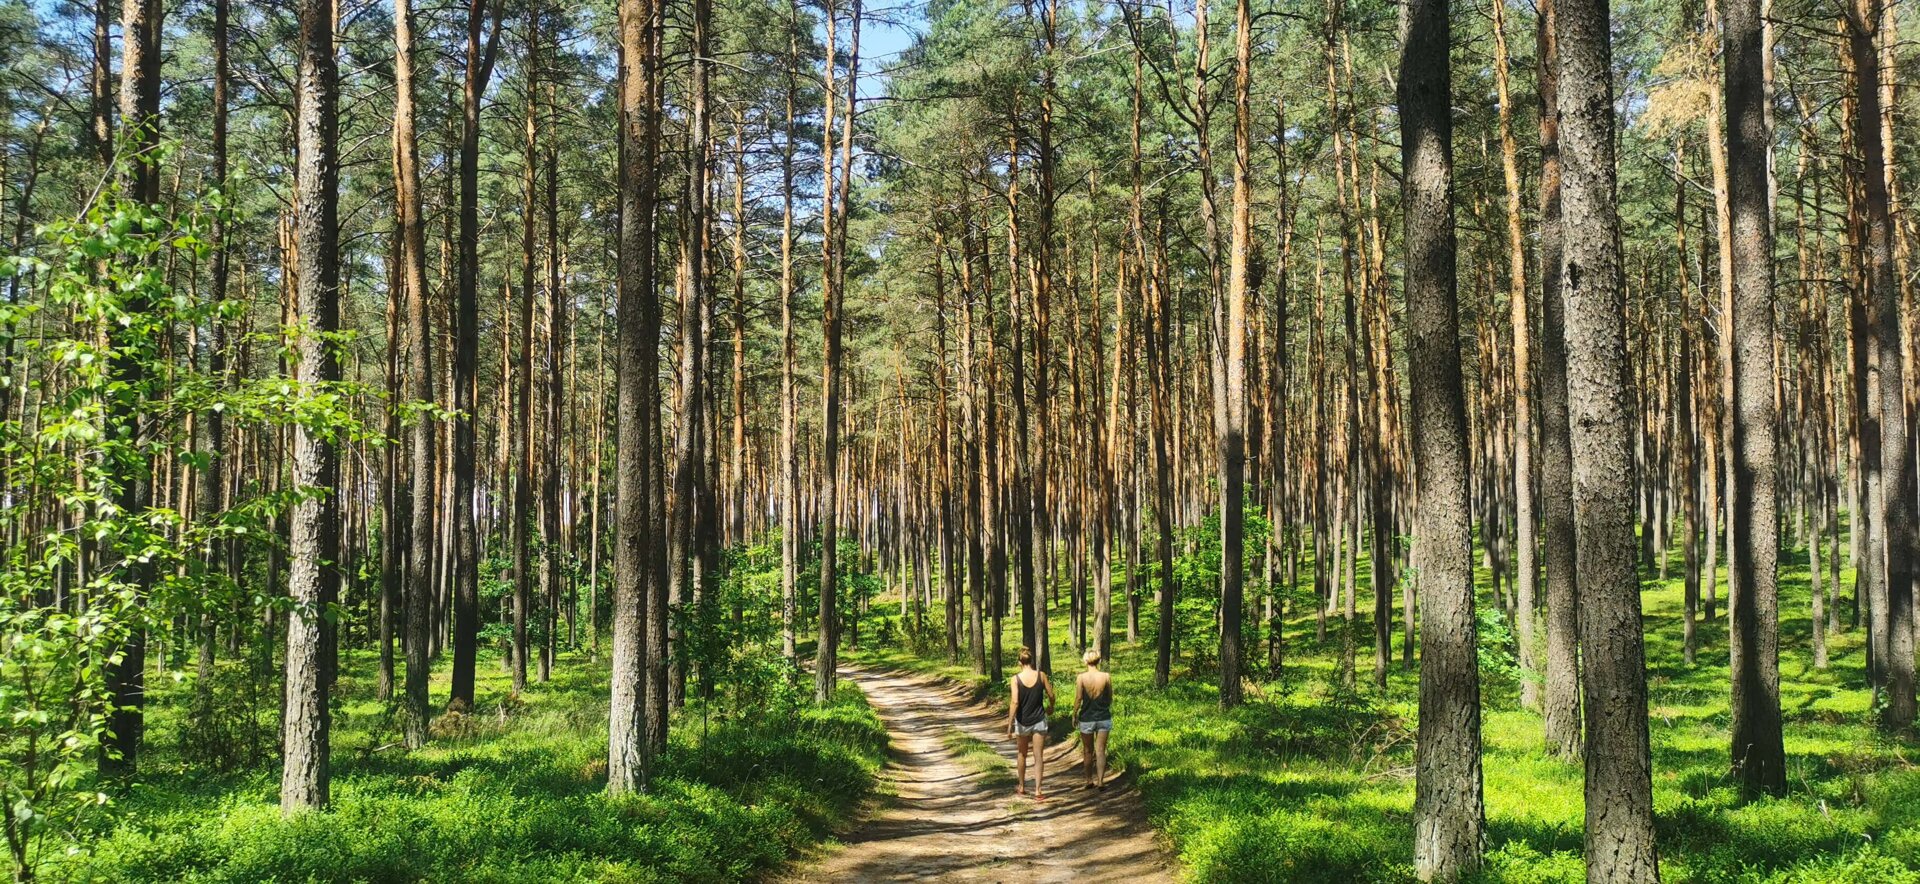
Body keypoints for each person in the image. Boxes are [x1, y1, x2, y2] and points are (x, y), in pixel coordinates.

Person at [1005, 646, 1056, 800]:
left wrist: (1010, 724)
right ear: (1031, 661)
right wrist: (1051, 707)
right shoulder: (1041, 676)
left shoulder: (1015, 679)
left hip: (1022, 721)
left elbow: (1015, 701)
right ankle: (1038, 790)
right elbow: (1051, 695)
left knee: (1022, 754)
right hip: (1039, 720)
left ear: (1020, 662)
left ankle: (1021, 786)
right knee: (1038, 755)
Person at [1074, 649, 1114, 790]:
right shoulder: (1106, 676)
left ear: (1085, 661)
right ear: (1098, 661)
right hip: (1103, 717)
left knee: (1087, 750)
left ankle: (1088, 780)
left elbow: (1079, 698)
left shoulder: (1081, 678)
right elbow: (1110, 697)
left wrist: (1074, 714)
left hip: (1087, 718)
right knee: (1101, 750)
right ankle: (1101, 781)